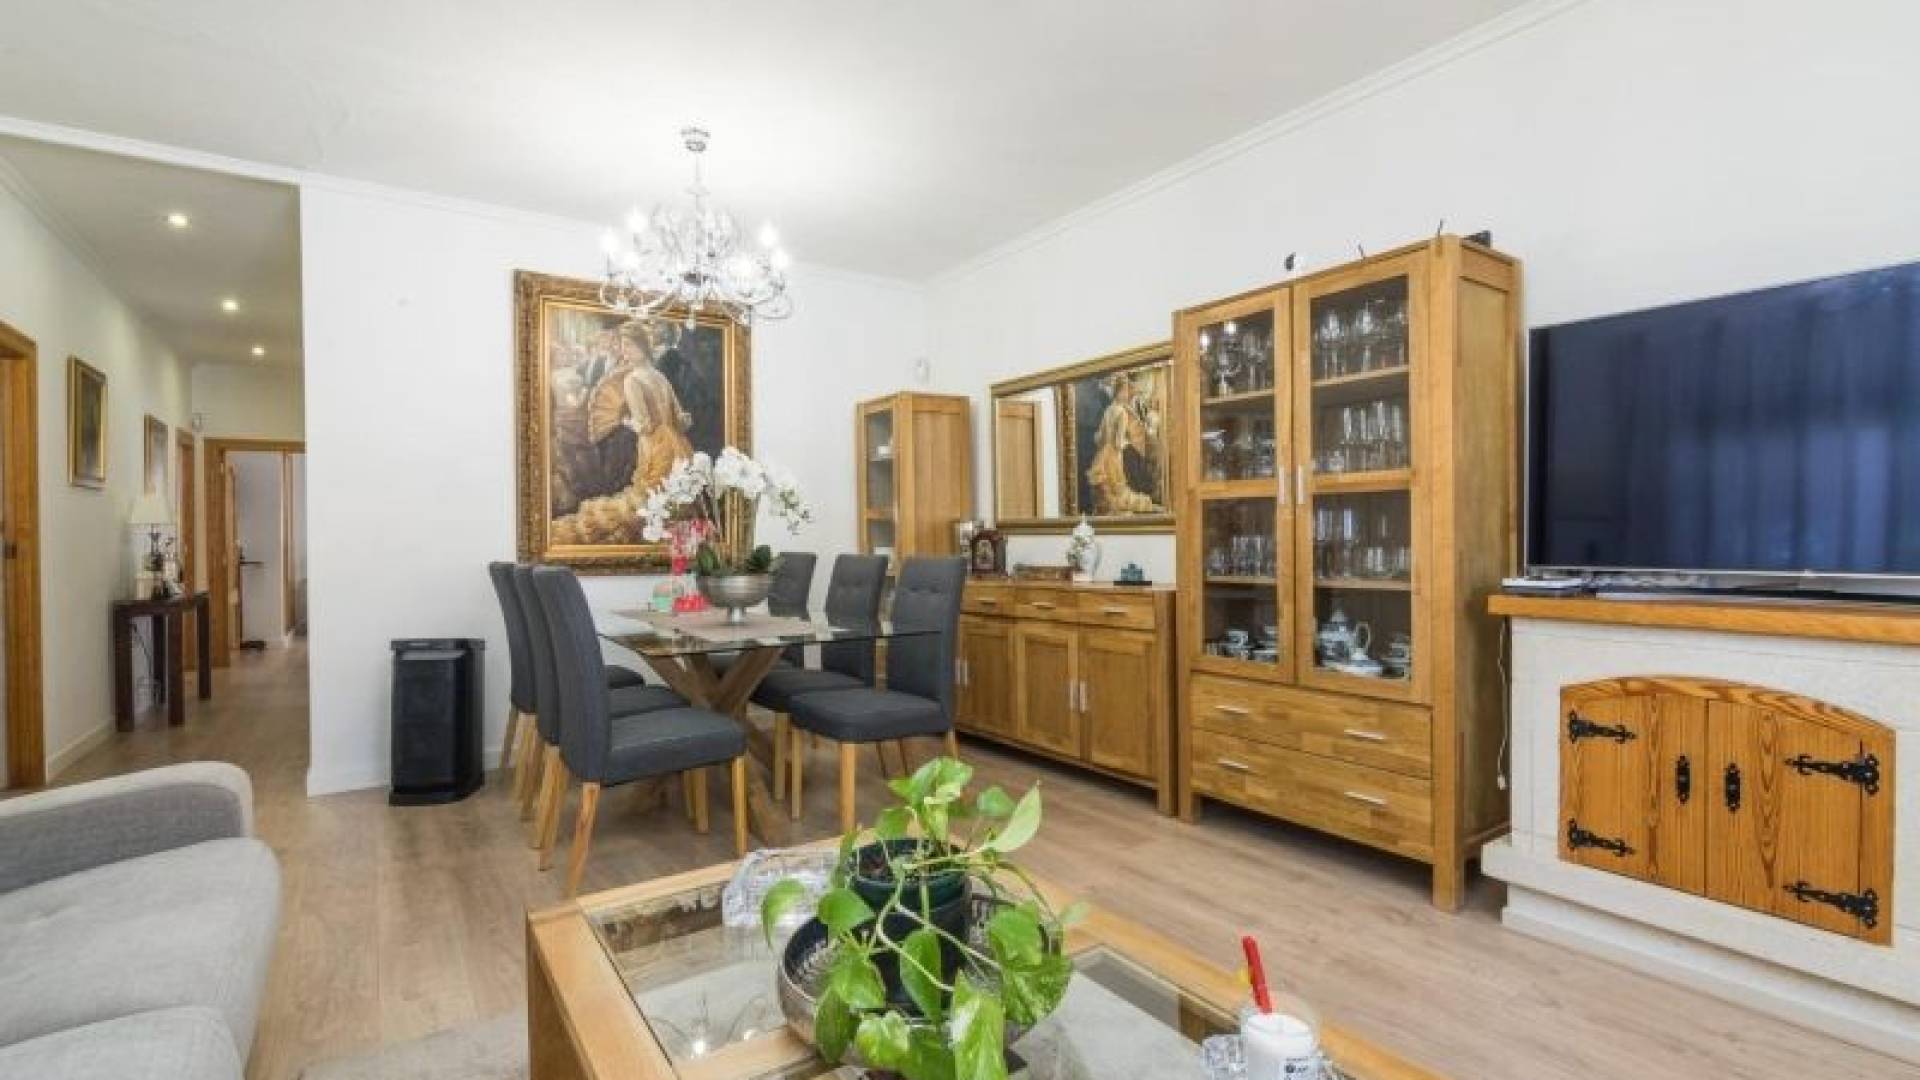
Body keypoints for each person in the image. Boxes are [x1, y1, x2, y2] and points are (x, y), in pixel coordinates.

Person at [587, 321, 693, 495]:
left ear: (643, 345)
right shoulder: (660, 377)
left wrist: (625, 421)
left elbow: (645, 426)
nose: (624, 351)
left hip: (654, 447)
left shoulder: (632, 380)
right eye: (622, 346)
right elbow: (681, 419)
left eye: (628, 345)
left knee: (653, 498)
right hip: (677, 445)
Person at [1085, 372, 1159, 514]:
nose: (1127, 394)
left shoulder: (1108, 410)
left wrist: (1105, 445)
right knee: (1119, 490)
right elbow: (1118, 442)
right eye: (1125, 391)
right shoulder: (1122, 412)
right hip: (1115, 455)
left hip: (1103, 455)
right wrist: (1128, 443)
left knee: (1110, 490)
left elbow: (1098, 437)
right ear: (1119, 392)